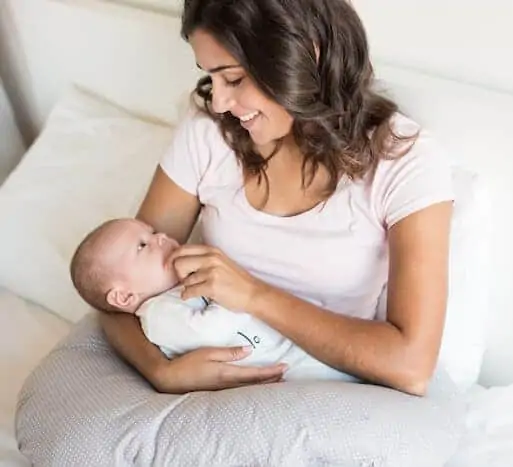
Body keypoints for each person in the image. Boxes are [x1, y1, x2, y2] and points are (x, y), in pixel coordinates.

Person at [99, 0, 454, 396]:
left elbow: (411, 364)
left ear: (305, 54)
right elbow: (116, 289)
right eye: (211, 78)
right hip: (214, 389)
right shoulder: (209, 133)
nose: (218, 103)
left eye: (233, 79)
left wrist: (254, 295)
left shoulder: (403, 160)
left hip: (324, 391)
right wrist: (162, 373)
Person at [70, 217, 358, 382]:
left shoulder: (174, 293)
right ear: (124, 296)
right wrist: (228, 289)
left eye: (154, 232)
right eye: (143, 245)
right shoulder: (157, 316)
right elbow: (211, 330)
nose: (161, 237)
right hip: (283, 367)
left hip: (289, 345)